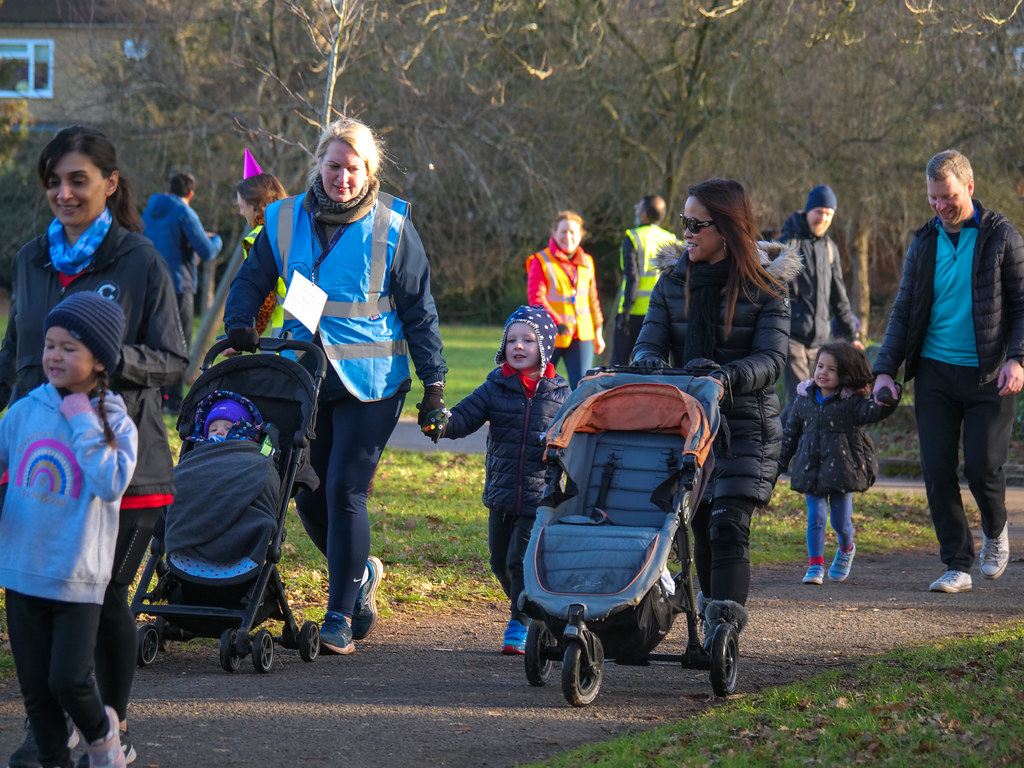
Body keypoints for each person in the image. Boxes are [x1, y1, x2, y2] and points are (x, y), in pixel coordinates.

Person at [0, 124, 189, 768]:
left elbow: (172, 358)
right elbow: (17, 356)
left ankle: (111, 726)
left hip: (117, 461)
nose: (63, 192)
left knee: (103, 596)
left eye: (77, 179)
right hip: (38, 461)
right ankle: (49, 734)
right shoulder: (31, 258)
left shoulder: (139, 259)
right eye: (53, 181)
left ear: (110, 184)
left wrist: (98, 365)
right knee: (34, 597)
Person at [224, 116, 446, 654]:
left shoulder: (393, 223)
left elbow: (418, 308)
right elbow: (252, 280)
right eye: (333, 166)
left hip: (372, 381)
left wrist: (434, 384)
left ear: (368, 170)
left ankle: (338, 616)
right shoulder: (280, 219)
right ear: (317, 163)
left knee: (346, 490)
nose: (342, 178)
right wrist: (239, 321)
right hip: (305, 375)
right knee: (308, 497)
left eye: (354, 168)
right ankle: (360, 573)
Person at [630, 177, 797, 651]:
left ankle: (723, 635)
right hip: (687, 426)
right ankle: (712, 630)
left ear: (725, 228)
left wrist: (723, 377)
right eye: (683, 222)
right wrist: (646, 362)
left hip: (745, 427)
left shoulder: (767, 289)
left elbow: (773, 361)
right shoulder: (672, 282)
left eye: (694, 224)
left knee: (727, 526)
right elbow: (651, 338)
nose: (685, 232)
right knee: (699, 527)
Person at [872, 149, 1024, 594]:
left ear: (970, 188)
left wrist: (1018, 358)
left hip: (990, 373)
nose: (940, 206)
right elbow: (903, 312)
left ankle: (996, 528)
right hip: (936, 372)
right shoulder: (924, 242)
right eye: (933, 199)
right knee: (937, 469)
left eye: (948, 197)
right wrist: (886, 370)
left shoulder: (1002, 237)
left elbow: (1021, 306)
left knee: (982, 468)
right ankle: (957, 563)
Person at [0, 293, 138, 768]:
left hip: (77, 576)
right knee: (36, 690)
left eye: (69, 348)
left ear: (100, 360)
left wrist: (81, 417)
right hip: (21, 572)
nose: (54, 356)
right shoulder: (22, 412)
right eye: (50, 345)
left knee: (69, 681)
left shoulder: (113, 419)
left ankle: (103, 741)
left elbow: (110, 480)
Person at [421, 305, 569, 654]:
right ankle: (534, 611)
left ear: (544, 347)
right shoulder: (495, 386)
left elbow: (575, 439)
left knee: (519, 560)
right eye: (512, 339)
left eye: (528, 340)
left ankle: (518, 622)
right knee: (499, 562)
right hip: (501, 494)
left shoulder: (561, 395)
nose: (518, 346)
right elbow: (464, 417)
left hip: (539, 497)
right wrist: (440, 422)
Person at [777, 341, 900, 585]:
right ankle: (815, 566)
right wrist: (778, 465)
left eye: (831, 369)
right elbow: (790, 435)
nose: (823, 372)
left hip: (843, 470)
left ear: (845, 374)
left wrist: (889, 397)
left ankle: (846, 548)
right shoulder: (803, 400)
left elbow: (873, 412)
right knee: (816, 517)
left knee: (841, 522)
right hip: (809, 468)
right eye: (820, 366)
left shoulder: (852, 403)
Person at [142, 171, 223, 412]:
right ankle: (174, 402)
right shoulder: (185, 213)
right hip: (179, 287)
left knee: (156, 343)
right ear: (190, 193)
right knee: (179, 345)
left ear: (168, 188)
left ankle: (156, 398)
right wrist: (216, 238)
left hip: (152, 285)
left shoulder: (148, 211)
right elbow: (207, 251)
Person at [779, 184, 861, 421]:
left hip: (821, 343)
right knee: (802, 400)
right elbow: (773, 293)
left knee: (815, 401)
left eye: (829, 214)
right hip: (792, 339)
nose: (823, 219)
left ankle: (781, 448)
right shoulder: (788, 244)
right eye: (819, 212)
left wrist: (851, 336)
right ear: (808, 211)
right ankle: (784, 453)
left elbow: (839, 297)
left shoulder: (830, 248)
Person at [526, 210, 606, 387]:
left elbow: (592, 299)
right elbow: (536, 298)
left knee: (582, 387)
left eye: (573, 232)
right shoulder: (540, 260)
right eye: (563, 232)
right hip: (549, 334)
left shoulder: (587, 261)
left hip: (582, 335)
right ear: (554, 233)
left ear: (580, 235)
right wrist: (557, 322)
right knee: (537, 385)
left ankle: (575, 416)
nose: (568, 237)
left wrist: (598, 332)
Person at [611, 195, 680, 366]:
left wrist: (625, 310)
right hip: (663, 311)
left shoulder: (633, 237)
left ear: (643, 215)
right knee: (654, 364)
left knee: (618, 364)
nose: (636, 210)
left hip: (634, 312)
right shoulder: (671, 239)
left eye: (638, 208)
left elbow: (632, 277)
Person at [235, 166, 288, 336]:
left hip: (285, 330)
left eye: (243, 206)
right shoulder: (293, 225)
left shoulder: (256, 237)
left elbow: (266, 298)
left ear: (256, 206)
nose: (241, 213)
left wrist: (248, 334)